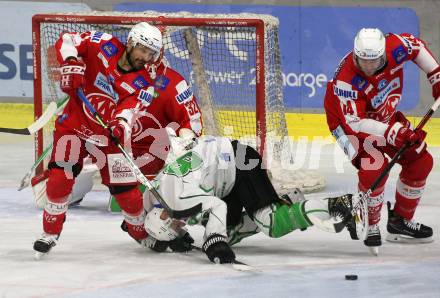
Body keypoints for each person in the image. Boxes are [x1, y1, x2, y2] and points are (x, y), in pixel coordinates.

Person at [33, 22, 202, 257]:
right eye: (143, 50)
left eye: (151, 54)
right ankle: (49, 234)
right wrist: (71, 62)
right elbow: (68, 40)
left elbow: (129, 111)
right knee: (59, 180)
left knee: (128, 196)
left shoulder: (143, 84)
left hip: (108, 139)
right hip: (73, 128)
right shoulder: (102, 43)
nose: (146, 58)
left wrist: (119, 126)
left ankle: (142, 235)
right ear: (131, 42)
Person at [140, 135, 356, 264]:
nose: (182, 227)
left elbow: (216, 205)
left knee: (272, 225)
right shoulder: (155, 193)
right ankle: (288, 200)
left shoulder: (177, 200)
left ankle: (337, 204)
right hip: (225, 171)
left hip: (239, 163)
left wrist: (215, 241)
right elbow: (126, 204)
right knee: (230, 232)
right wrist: (144, 234)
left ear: (165, 216)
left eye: (176, 226)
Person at [324, 28, 438, 253]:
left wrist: (436, 76)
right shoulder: (346, 80)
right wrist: (392, 132)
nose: (367, 66)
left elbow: (417, 48)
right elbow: (355, 123)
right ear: (355, 54)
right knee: (374, 168)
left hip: (381, 113)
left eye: (374, 60)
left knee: (420, 161)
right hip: (346, 124)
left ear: (383, 54)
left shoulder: (394, 46)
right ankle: (372, 224)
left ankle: (399, 222)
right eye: (362, 60)